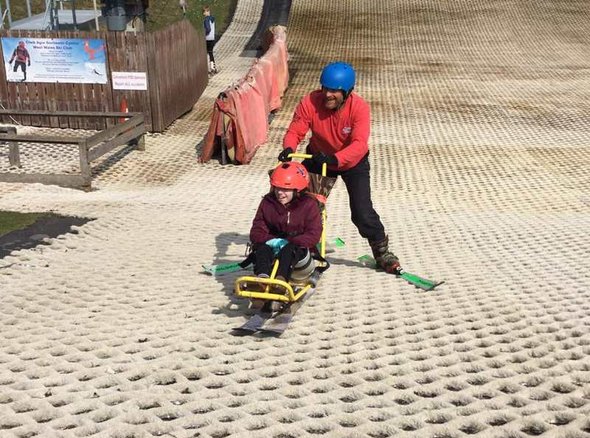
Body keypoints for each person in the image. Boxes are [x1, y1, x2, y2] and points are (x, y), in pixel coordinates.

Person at [278, 61, 402, 274]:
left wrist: (335, 159)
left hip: (352, 162)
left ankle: (382, 252)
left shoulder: (359, 108)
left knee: (362, 213)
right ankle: (305, 247)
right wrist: (289, 148)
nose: (328, 95)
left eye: (335, 91)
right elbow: (295, 130)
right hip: (319, 158)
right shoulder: (310, 101)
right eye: (325, 88)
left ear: (347, 92)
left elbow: (359, 144)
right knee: (306, 204)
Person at [248, 162, 322, 303]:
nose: (280, 193)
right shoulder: (268, 203)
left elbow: (313, 234)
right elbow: (257, 230)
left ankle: (280, 281)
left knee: (289, 249)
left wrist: (292, 242)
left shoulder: (309, 205)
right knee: (262, 248)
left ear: (297, 190)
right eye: (277, 188)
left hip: (300, 256)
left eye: (285, 190)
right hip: (274, 248)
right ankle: (262, 279)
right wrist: (271, 240)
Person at [202, 5, 218, 74]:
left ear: (207, 12)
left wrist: (204, 34)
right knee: (210, 52)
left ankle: (207, 68)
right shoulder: (212, 19)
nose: (203, 14)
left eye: (204, 12)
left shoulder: (206, 19)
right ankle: (213, 67)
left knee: (206, 53)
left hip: (207, 38)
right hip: (212, 38)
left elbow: (208, 29)